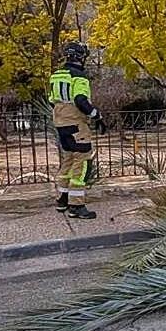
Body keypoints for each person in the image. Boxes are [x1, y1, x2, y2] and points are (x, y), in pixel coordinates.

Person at [49, 42, 104, 219]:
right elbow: (81, 100)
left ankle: (62, 199)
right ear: (81, 57)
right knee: (83, 162)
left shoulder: (56, 75)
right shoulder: (79, 76)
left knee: (68, 160)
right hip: (76, 125)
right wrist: (96, 115)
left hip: (60, 124)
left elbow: (52, 100)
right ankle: (77, 206)